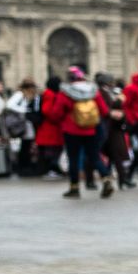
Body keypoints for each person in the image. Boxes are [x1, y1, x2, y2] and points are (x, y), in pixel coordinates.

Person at [47, 66, 114, 199]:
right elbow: (105, 111)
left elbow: (56, 114)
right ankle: (106, 179)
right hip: (91, 130)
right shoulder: (94, 91)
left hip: (71, 131)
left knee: (73, 159)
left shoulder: (65, 92)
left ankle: (74, 188)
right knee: (95, 156)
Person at [33, 77, 66, 178]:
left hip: (48, 127)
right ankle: (51, 170)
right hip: (50, 127)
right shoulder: (50, 94)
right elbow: (46, 110)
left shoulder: (47, 93)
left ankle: (48, 169)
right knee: (51, 150)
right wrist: (56, 117)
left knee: (49, 150)